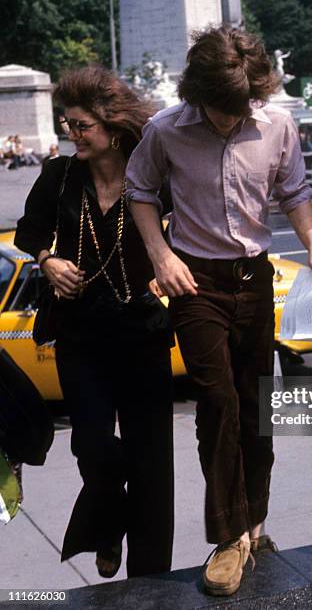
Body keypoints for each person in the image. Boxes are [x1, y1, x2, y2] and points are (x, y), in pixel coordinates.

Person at [126, 26, 312, 596]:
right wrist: (160, 255)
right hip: (195, 281)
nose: (226, 122)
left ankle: (254, 523)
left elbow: (293, 193)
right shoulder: (165, 129)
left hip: (255, 278)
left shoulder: (278, 124)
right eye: (218, 110)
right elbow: (139, 191)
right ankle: (229, 536)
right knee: (217, 403)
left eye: (238, 111)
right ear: (197, 92)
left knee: (256, 406)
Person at [15, 66, 174, 579]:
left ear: (112, 125)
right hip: (81, 334)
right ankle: (111, 524)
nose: (72, 134)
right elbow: (28, 230)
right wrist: (47, 258)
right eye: (68, 124)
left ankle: (152, 577)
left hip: (143, 332)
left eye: (82, 125)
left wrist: (168, 264)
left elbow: (192, 226)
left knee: (153, 462)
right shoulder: (59, 176)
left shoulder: (150, 175)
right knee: (92, 446)